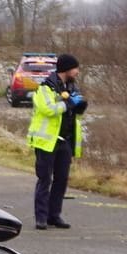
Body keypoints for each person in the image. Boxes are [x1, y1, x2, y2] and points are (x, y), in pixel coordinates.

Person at [27, 51, 86, 230]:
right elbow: (48, 109)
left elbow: (72, 111)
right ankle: (41, 217)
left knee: (61, 180)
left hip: (65, 141)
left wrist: (79, 107)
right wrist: (68, 104)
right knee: (45, 179)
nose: (77, 72)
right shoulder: (45, 87)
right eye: (75, 68)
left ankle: (55, 215)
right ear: (67, 68)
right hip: (47, 142)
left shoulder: (72, 88)